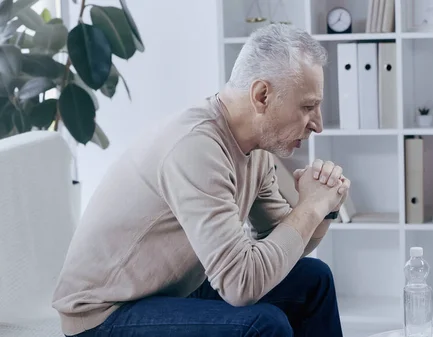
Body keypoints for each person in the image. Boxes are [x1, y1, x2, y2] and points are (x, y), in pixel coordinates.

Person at [52, 23, 351, 337]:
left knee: (313, 279)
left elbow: (283, 243)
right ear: (262, 95)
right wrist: (311, 207)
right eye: (307, 107)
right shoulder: (196, 148)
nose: (317, 124)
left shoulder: (255, 148)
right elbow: (241, 285)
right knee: (263, 325)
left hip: (170, 290)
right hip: (104, 313)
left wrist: (324, 207)